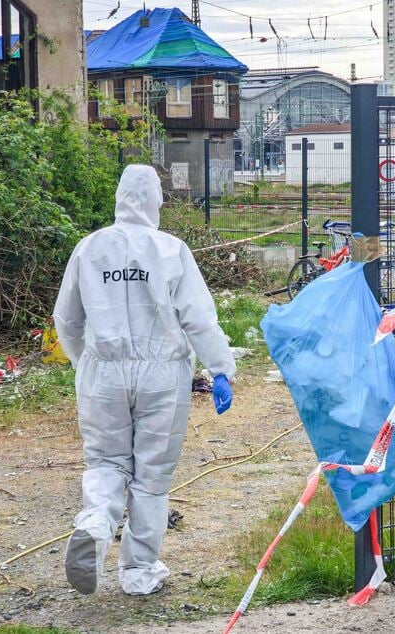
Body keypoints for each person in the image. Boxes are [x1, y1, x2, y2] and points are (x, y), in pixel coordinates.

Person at [53, 164, 236, 596]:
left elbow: (67, 318)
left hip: (104, 371)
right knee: (151, 476)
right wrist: (221, 368)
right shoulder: (171, 250)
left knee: (106, 462)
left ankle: (96, 523)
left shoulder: (89, 248)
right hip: (162, 376)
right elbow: (198, 318)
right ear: (156, 199)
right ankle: (138, 572)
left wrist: (85, 363)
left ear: (119, 196)